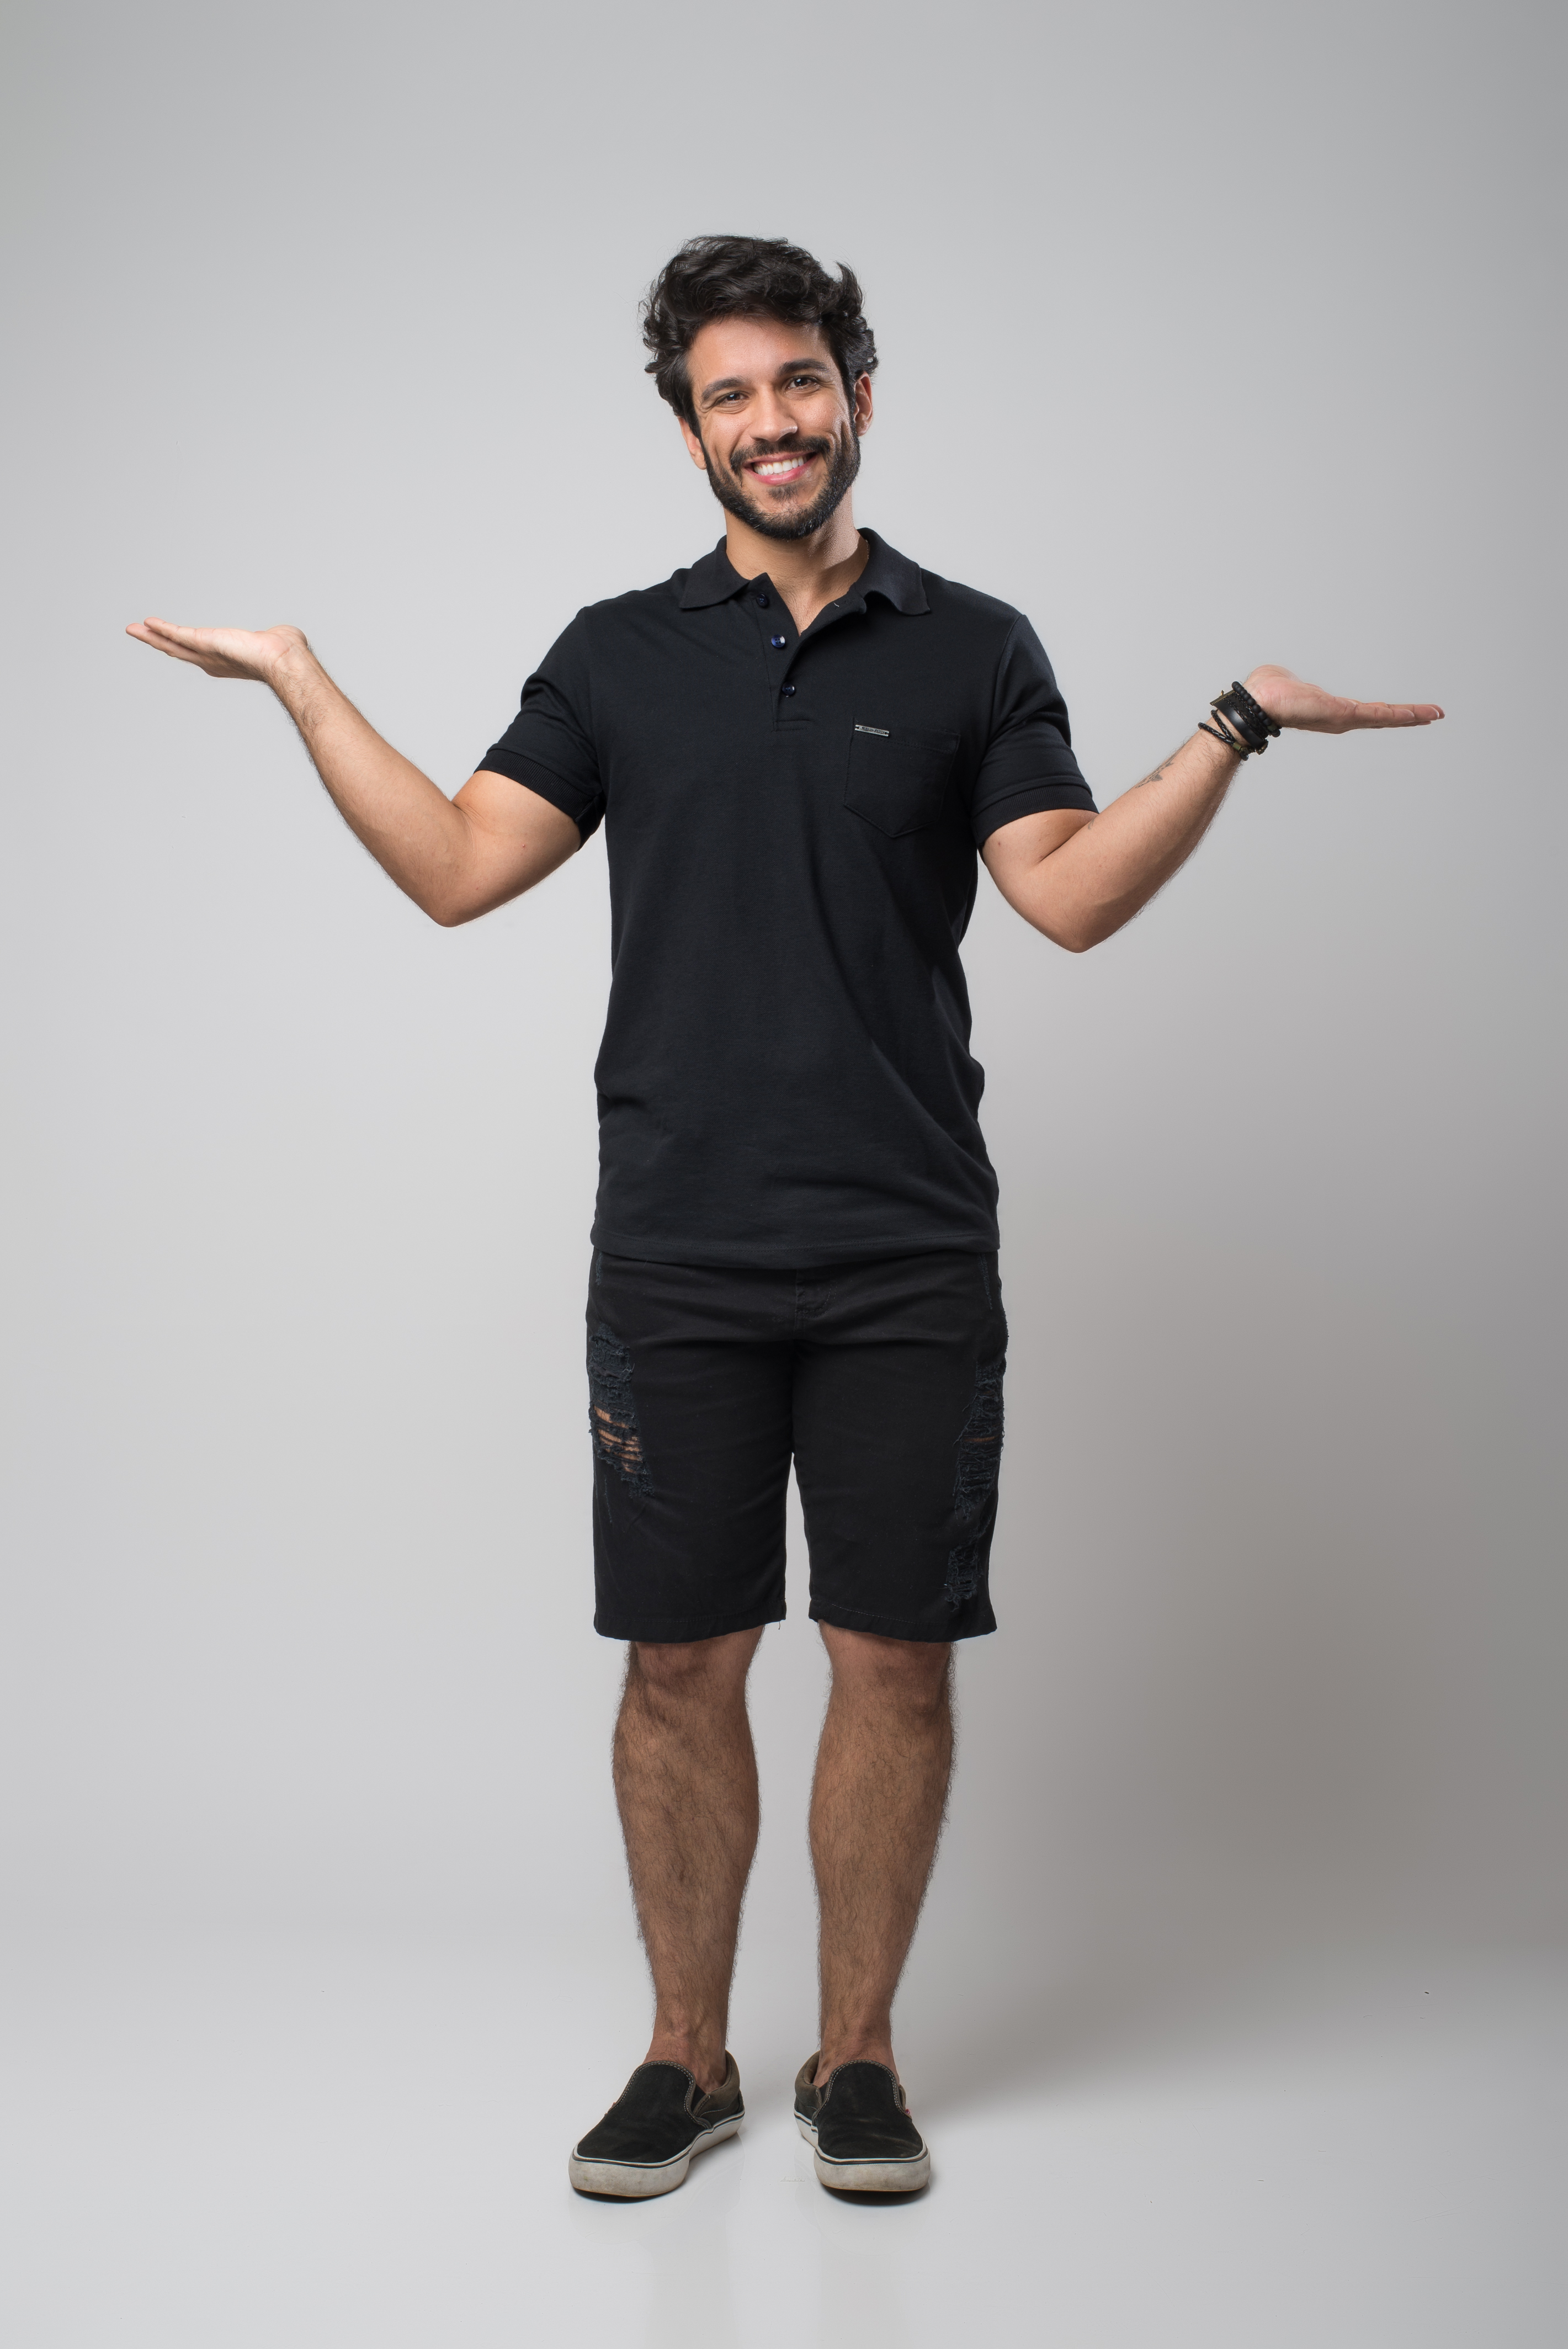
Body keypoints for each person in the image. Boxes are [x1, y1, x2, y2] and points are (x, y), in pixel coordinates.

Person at [127, 235, 1442, 2201]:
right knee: (680, 1665)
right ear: (689, 434)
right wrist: (306, 686)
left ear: (858, 397)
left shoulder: (973, 647)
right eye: (728, 394)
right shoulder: (615, 655)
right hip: (677, 1251)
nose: (770, 420)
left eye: (799, 381)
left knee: (893, 1658)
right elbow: (459, 869)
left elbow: (1068, 896)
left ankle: (856, 2059)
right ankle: (686, 2058)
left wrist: (1234, 724)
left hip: (908, 1250)